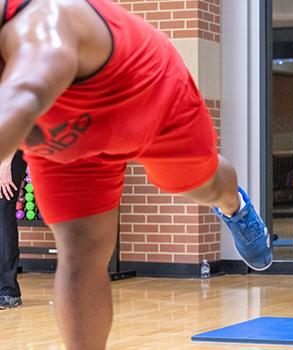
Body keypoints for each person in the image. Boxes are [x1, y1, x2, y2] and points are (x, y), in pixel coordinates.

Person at [0, 1, 271, 349]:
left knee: (202, 184)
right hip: (66, 135)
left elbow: (24, 96)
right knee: (80, 251)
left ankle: (235, 206)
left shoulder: (47, 21)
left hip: (148, 99)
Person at [0, 150, 27, 309]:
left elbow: (17, 126)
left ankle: (8, 292)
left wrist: (5, 165)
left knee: (3, 208)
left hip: (10, 149)